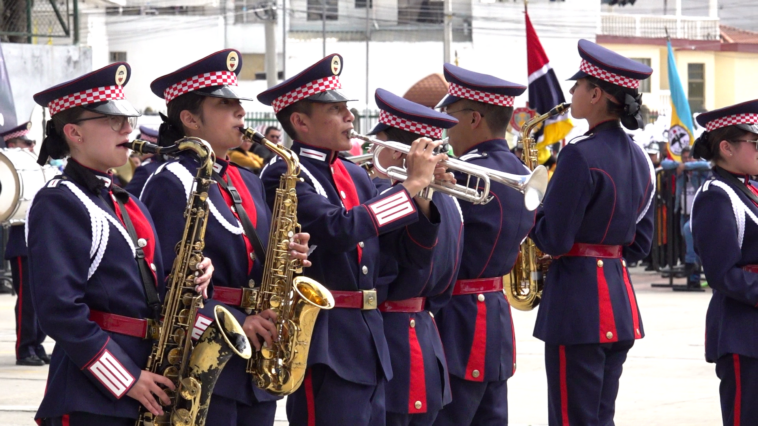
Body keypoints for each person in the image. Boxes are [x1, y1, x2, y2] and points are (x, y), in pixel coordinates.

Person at [257, 54, 446, 426]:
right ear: (300, 122)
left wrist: (424, 196)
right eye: (337, 109)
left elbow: (407, 255)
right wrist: (411, 185)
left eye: (348, 109)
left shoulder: (354, 175)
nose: (350, 118)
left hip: (369, 340)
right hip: (325, 343)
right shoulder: (285, 173)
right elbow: (340, 229)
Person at [27, 62, 214, 426]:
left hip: (144, 382)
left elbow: (149, 289)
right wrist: (125, 378)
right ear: (74, 134)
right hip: (93, 395)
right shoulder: (60, 200)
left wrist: (194, 278)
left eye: (128, 119)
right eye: (113, 121)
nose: (128, 129)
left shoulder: (125, 200)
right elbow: (59, 311)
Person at [141, 48, 312, 426]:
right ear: (190, 119)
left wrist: (288, 258)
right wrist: (235, 322)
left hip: (257, 357)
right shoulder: (172, 181)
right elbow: (163, 284)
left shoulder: (247, 179)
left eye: (239, 103)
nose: (240, 112)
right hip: (204, 358)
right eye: (225, 104)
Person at [529, 39, 656, 425]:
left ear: (596, 93)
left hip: (577, 308)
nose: (571, 93)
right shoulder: (641, 157)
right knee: (600, 418)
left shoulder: (579, 153)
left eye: (578, 86)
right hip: (619, 304)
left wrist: (531, 209)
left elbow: (555, 239)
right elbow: (642, 242)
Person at [431, 64, 534, 426]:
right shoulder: (520, 171)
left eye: (449, 114)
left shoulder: (464, 174)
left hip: (455, 320)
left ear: (474, 118)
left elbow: (432, 249)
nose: (444, 124)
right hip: (493, 315)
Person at [367, 88, 463, 426]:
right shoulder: (450, 202)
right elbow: (446, 286)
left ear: (395, 153)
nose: (370, 153)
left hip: (388, 346)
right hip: (426, 341)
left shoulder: (386, 201)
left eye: (376, 143)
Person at [690, 99, 758, 426]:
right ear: (727, 147)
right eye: (755, 142)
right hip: (742, 333)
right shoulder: (716, 195)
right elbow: (722, 274)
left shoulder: (749, 190)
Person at [0, 122, 47, 365]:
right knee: (27, 302)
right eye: (27, 143)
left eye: (32, 142)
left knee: (42, 299)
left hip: (40, 243)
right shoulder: (6, 171)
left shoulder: (35, 168)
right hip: (22, 244)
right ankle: (24, 348)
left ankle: (37, 344)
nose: (32, 146)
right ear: (12, 145)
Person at [661, 145, 710, 290]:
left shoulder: (700, 172)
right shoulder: (681, 171)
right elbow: (664, 163)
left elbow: (707, 164)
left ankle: (691, 268)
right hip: (684, 212)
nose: (687, 161)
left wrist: (687, 166)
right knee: (690, 243)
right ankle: (692, 278)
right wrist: (681, 166)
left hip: (699, 213)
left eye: (690, 157)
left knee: (689, 233)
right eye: (684, 158)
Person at [124, 125, 161, 196]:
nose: (136, 150)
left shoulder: (144, 170)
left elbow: (125, 196)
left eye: (139, 147)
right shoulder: (164, 165)